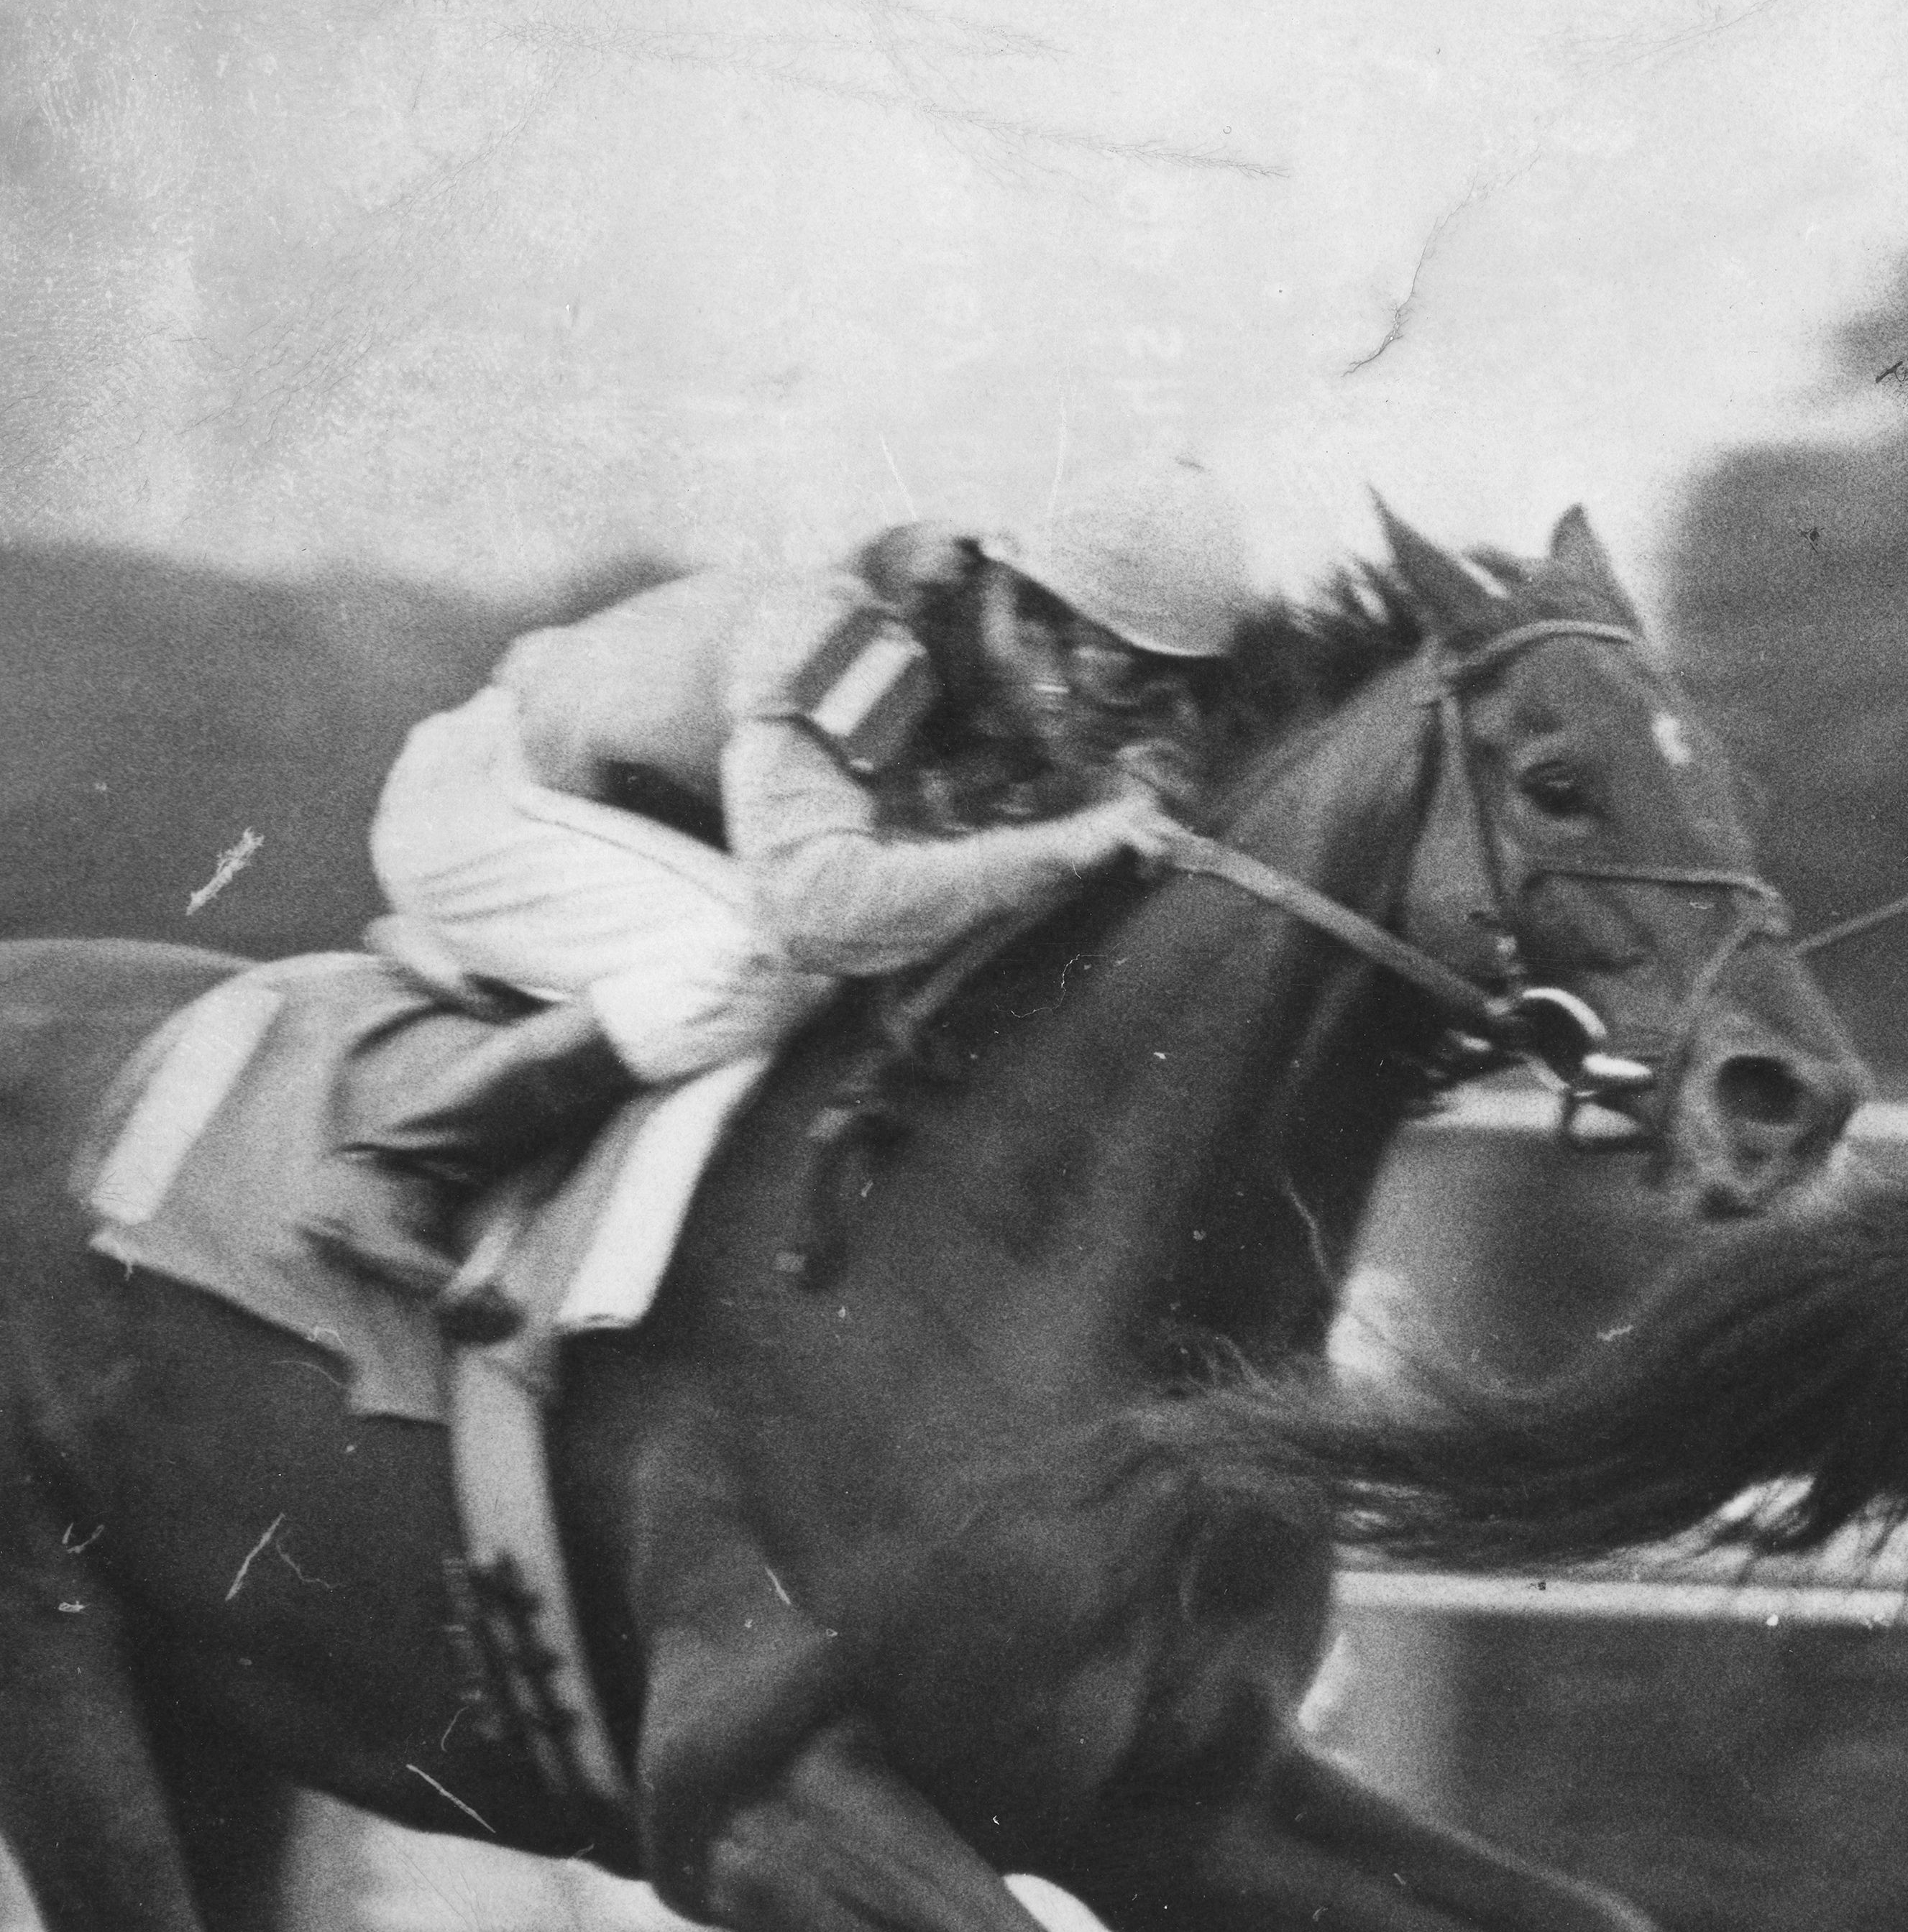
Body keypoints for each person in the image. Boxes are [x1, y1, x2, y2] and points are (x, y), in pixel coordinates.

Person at [302, 458, 1258, 1328]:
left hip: (634, 829)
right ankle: (398, 1171)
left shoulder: (990, 681)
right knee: (767, 963)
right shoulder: (860, 651)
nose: (1132, 719)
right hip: (486, 807)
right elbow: (817, 908)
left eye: (1174, 691)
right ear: (1026, 613)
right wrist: (1071, 842)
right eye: (1124, 672)